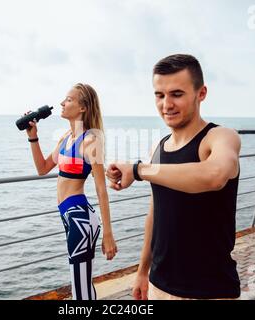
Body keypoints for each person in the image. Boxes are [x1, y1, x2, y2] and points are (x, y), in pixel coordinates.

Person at [106, 54, 241, 300]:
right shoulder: (158, 148)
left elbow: (215, 175)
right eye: (159, 95)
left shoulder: (220, 137)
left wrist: (138, 170)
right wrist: (142, 271)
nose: (166, 104)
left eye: (176, 94)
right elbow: (155, 213)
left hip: (210, 290)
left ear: (201, 93)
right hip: (160, 285)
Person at [25, 83, 117, 300]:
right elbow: (43, 168)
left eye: (68, 100)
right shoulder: (66, 137)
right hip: (70, 216)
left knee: (81, 290)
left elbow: (101, 190)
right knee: (81, 289)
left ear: (83, 107)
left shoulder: (91, 140)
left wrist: (108, 235)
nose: (62, 103)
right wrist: (32, 136)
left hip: (80, 220)